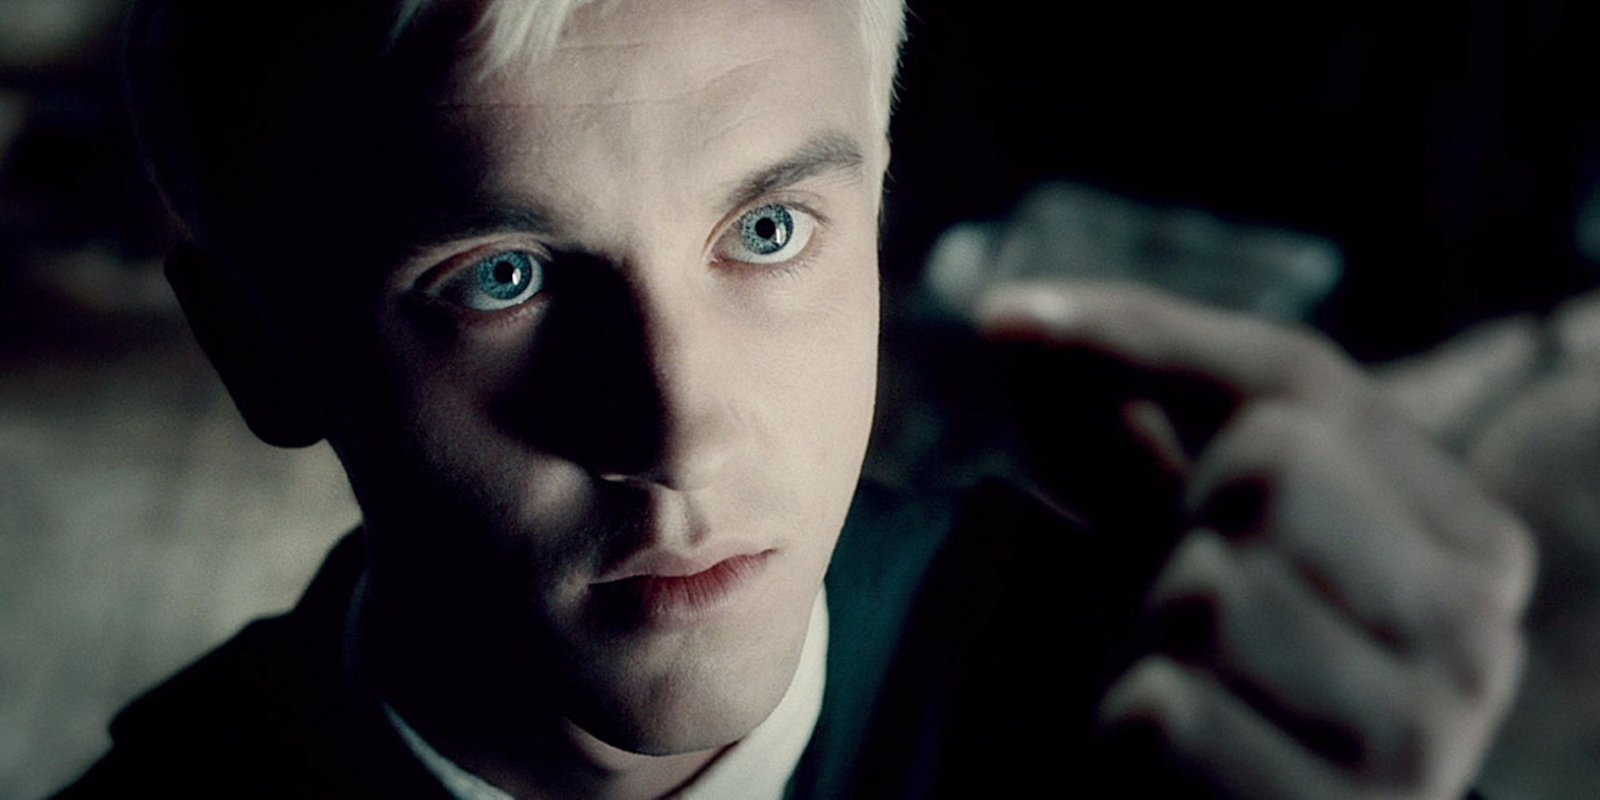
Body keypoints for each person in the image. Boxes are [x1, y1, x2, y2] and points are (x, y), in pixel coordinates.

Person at [59, 0, 1533, 797]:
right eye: (502, 279)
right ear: (257, 350)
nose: (681, 428)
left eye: (768, 230)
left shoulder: (1164, 692)